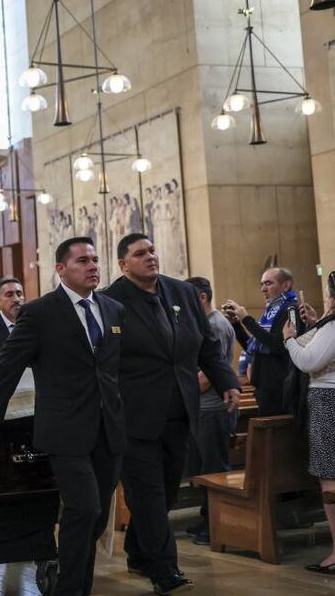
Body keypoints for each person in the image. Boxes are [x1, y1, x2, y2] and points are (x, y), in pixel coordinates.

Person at [0, 237, 126, 596]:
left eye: (94, 260)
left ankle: (74, 581)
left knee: (98, 516)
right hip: (65, 428)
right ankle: (71, 589)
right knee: (83, 508)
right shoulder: (41, 312)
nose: (92, 267)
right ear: (61, 269)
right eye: (82, 261)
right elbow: (7, 365)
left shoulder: (113, 309)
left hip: (109, 427)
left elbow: (120, 367)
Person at [101, 234, 240, 594]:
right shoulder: (109, 302)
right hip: (134, 416)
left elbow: (208, 347)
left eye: (151, 251)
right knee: (147, 494)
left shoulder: (182, 294)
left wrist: (228, 381)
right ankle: (166, 571)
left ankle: (137, 551)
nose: (150, 257)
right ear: (123, 264)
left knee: (165, 491)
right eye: (139, 254)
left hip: (180, 410)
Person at [283, 270, 335, 575]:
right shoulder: (333, 325)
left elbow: (308, 361)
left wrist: (289, 340)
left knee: (330, 478)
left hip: (331, 403)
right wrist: (316, 322)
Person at [184, 276, 237, 546]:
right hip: (206, 409)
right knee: (206, 467)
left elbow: (206, 378)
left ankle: (216, 525)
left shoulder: (215, 324)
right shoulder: (208, 323)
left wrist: (179, 390)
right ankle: (207, 519)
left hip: (213, 409)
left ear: (202, 298)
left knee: (214, 468)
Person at [222, 267, 304, 416]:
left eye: (268, 283)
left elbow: (280, 346)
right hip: (264, 385)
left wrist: (247, 320)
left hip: (280, 386)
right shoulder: (270, 313)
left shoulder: (292, 310)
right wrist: (236, 324)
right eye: (262, 284)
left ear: (286, 285)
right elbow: (252, 348)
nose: (263, 289)